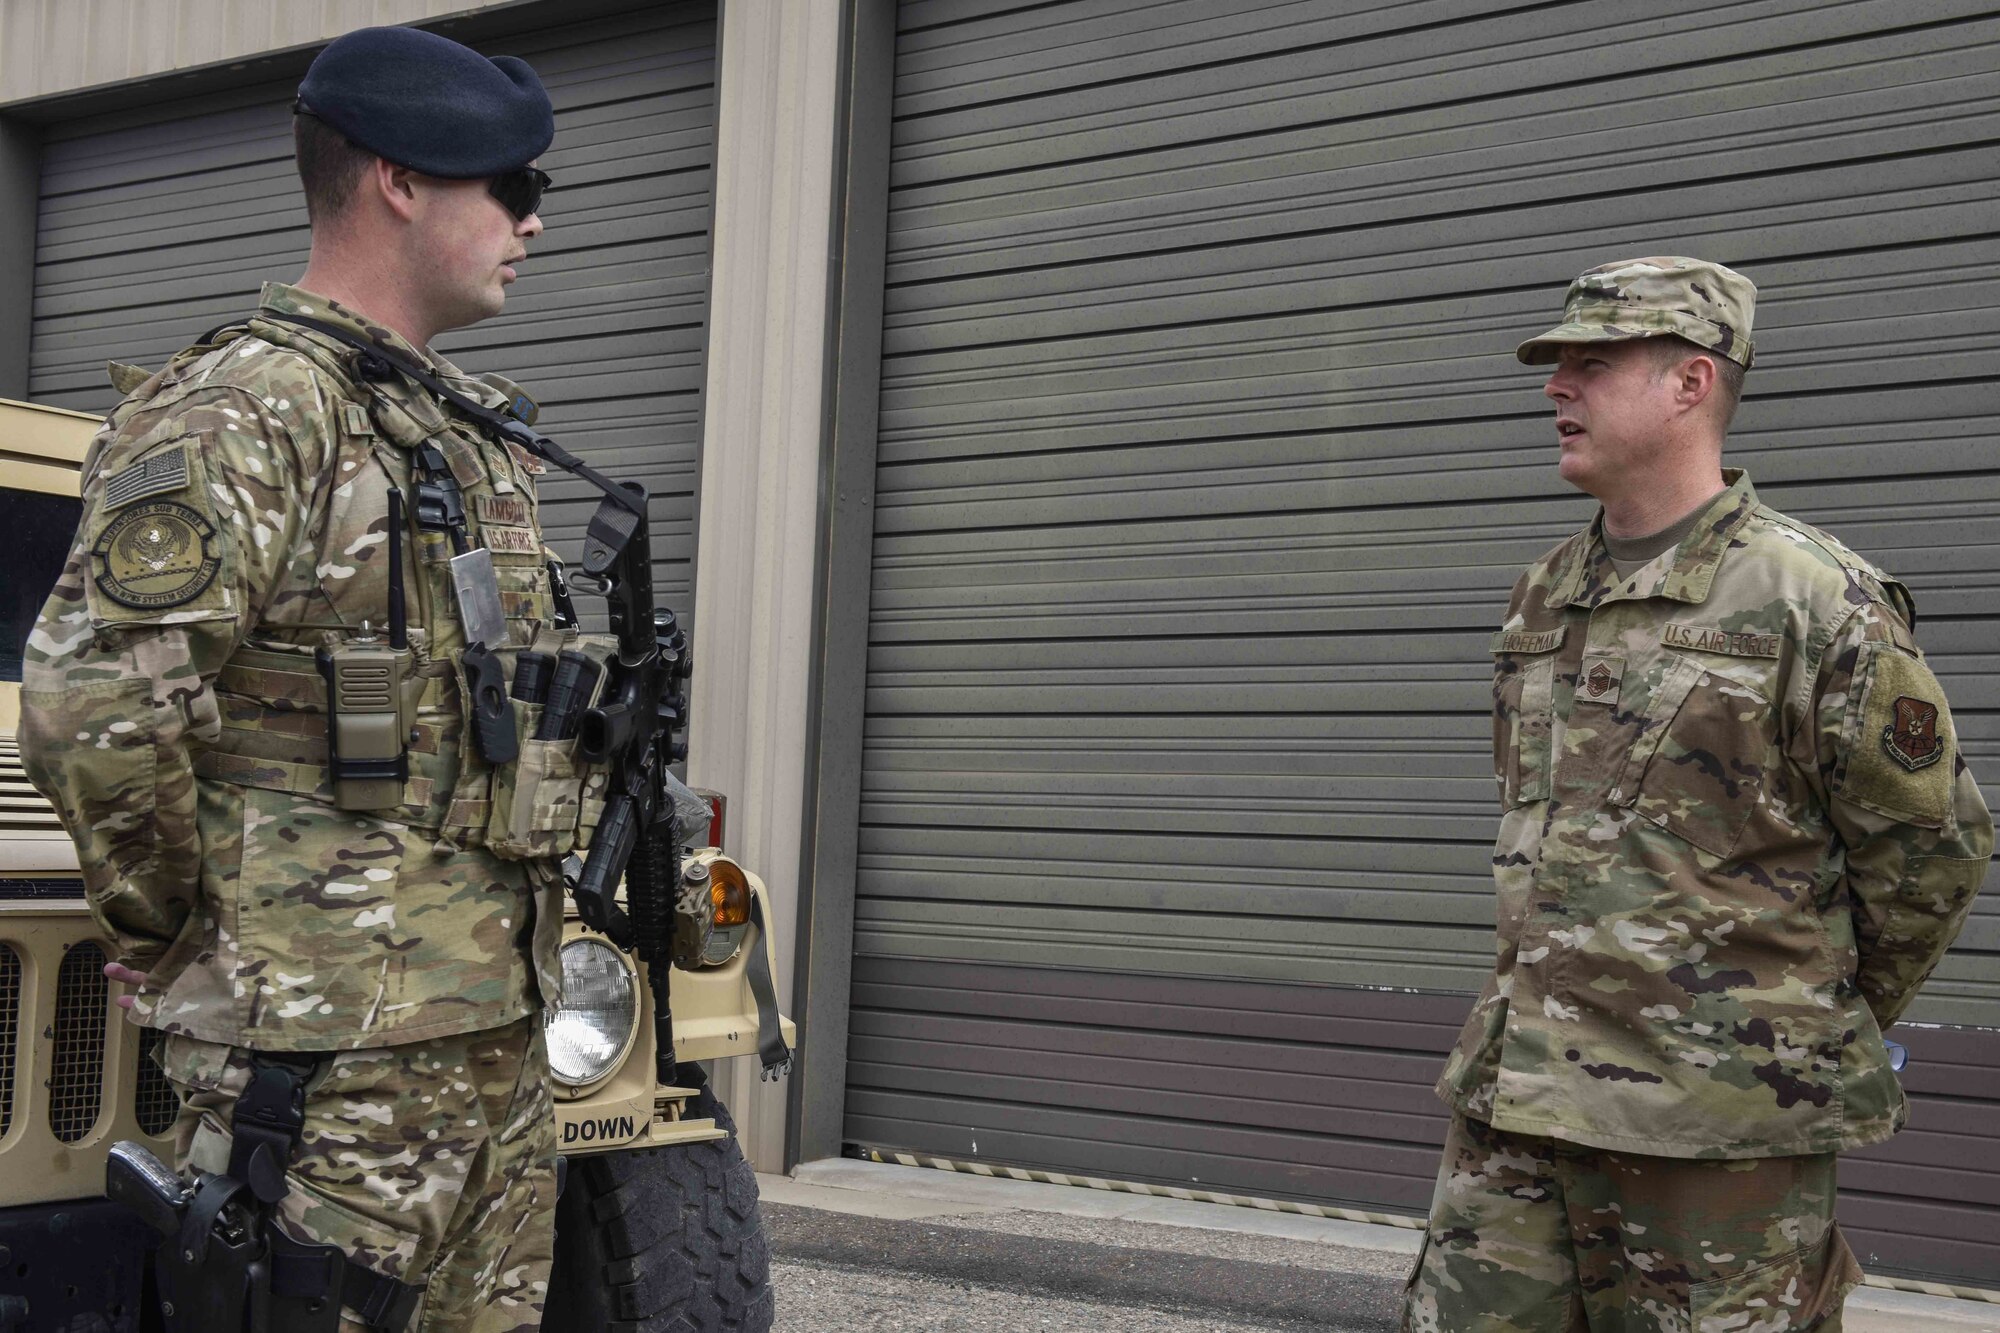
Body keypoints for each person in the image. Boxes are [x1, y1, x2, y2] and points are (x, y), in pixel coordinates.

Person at [21, 24, 577, 1331]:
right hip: (328, 1064)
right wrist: (173, 931)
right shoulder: (250, 407)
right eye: (512, 186)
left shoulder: (463, 430)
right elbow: (95, 705)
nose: (533, 223)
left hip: (490, 1030)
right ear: (398, 178)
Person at [1402, 257, 1993, 1333]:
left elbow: (1929, 852)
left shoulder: (1809, 599)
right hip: (1519, 1100)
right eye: (1555, 365)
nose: (1554, 386)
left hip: (1714, 1128)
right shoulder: (1545, 590)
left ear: (1689, 383)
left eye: (1590, 361)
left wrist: (1787, 1023)